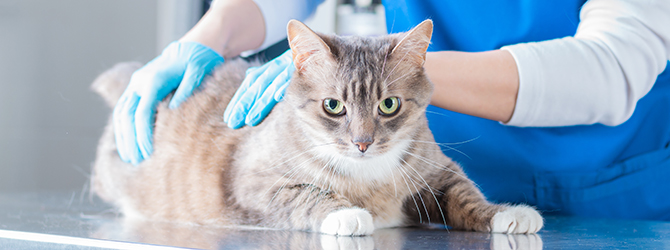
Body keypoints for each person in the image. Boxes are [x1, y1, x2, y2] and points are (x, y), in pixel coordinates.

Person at [112, 0, 670, 220]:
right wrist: (210, 34)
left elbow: (613, 66)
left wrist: (399, 77)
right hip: (424, 184)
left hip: (611, 190)